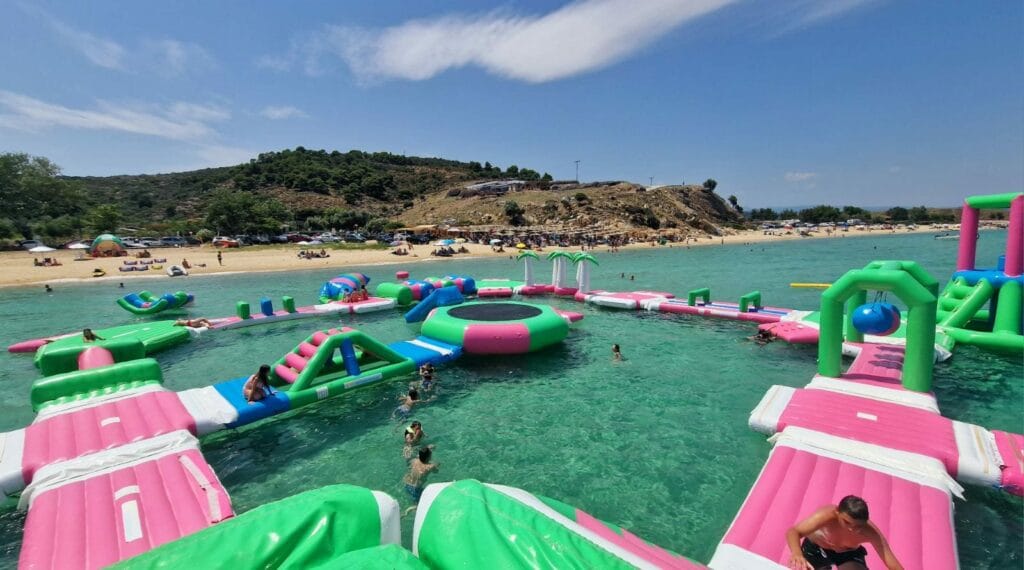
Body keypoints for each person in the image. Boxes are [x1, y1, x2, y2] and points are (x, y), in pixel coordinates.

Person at [786, 495, 903, 570]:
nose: (852, 529)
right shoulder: (826, 516)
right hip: (815, 549)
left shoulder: (870, 532)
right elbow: (794, 531)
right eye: (847, 522)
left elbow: (894, 565)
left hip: (847, 554)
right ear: (837, 512)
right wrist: (797, 554)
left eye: (858, 526)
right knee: (800, 566)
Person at [403, 445, 439, 513]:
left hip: (407, 485)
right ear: (429, 457)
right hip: (416, 490)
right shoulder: (429, 466)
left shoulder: (414, 461)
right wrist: (437, 464)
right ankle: (408, 510)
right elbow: (436, 471)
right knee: (421, 507)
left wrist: (428, 449)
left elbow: (410, 459)